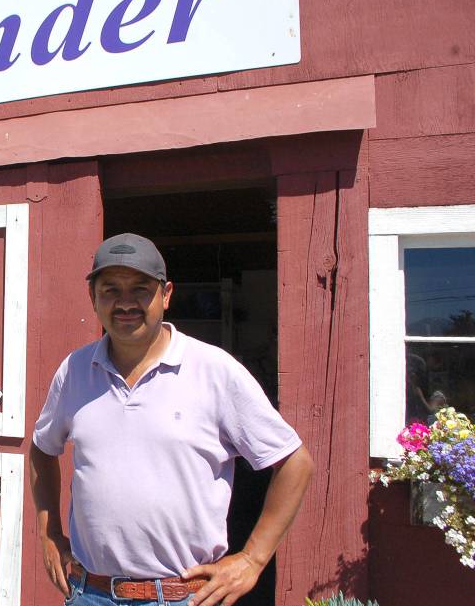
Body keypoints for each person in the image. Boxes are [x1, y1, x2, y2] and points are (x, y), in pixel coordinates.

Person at [29, 233, 314, 606]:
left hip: (182, 597)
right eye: (111, 289)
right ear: (93, 298)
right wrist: (49, 533)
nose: (125, 302)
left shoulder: (213, 370)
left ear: (166, 295)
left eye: (141, 289)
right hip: (91, 593)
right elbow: (42, 449)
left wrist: (252, 559)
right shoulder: (74, 370)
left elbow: (295, 462)